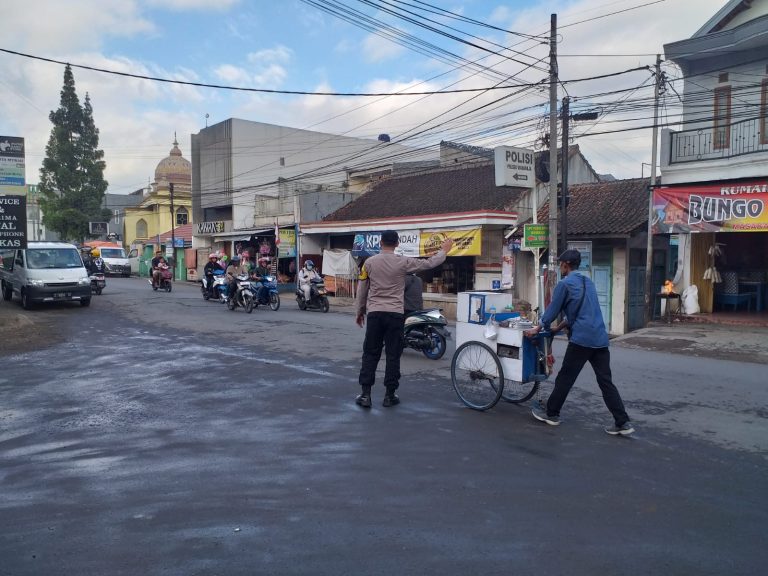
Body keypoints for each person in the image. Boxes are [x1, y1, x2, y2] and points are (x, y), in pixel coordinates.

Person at [524, 249, 634, 436]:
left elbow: (552, 311)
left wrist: (538, 328)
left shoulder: (564, 284)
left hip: (581, 340)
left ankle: (552, 414)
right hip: (600, 339)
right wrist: (558, 329)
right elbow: (582, 312)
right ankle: (623, 422)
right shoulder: (588, 282)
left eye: (561, 264)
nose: (560, 266)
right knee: (605, 381)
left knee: (565, 377)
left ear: (566, 265)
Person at [354, 231, 454, 408]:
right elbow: (429, 263)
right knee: (393, 355)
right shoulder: (403, 262)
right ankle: (389, 395)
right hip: (395, 315)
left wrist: (360, 311)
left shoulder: (369, 263)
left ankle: (365, 395)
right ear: (397, 244)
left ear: (380, 243)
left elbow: (362, 289)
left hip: (375, 314)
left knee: (370, 353)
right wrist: (444, 250)